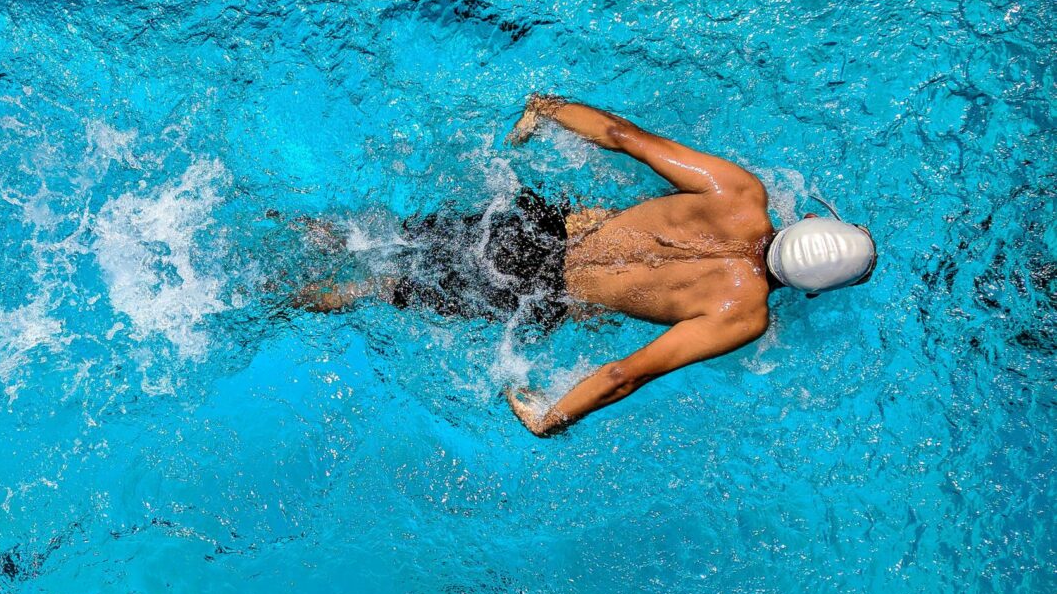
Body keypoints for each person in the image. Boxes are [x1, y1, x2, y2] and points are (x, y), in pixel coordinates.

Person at [295, 93, 876, 436]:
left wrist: (548, 109)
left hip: (532, 228)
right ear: (813, 291)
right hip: (539, 292)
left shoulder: (739, 193)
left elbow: (625, 136)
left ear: (807, 221)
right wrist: (553, 418)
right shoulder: (743, 314)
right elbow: (627, 373)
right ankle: (279, 296)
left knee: (380, 238)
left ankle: (296, 227)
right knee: (382, 288)